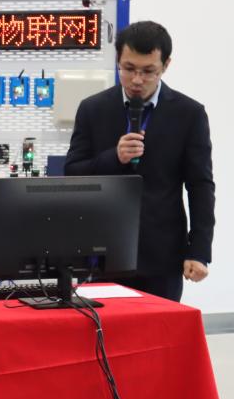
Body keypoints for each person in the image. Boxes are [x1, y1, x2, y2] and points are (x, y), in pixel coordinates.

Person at [65, 20, 215, 302]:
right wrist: (114, 157)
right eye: (129, 68)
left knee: (159, 328)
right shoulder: (93, 109)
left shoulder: (189, 114)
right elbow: (72, 173)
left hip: (162, 255)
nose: (136, 80)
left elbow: (200, 186)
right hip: (102, 251)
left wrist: (199, 250)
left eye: (148, 71)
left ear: (165, 65)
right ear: (117, 61)